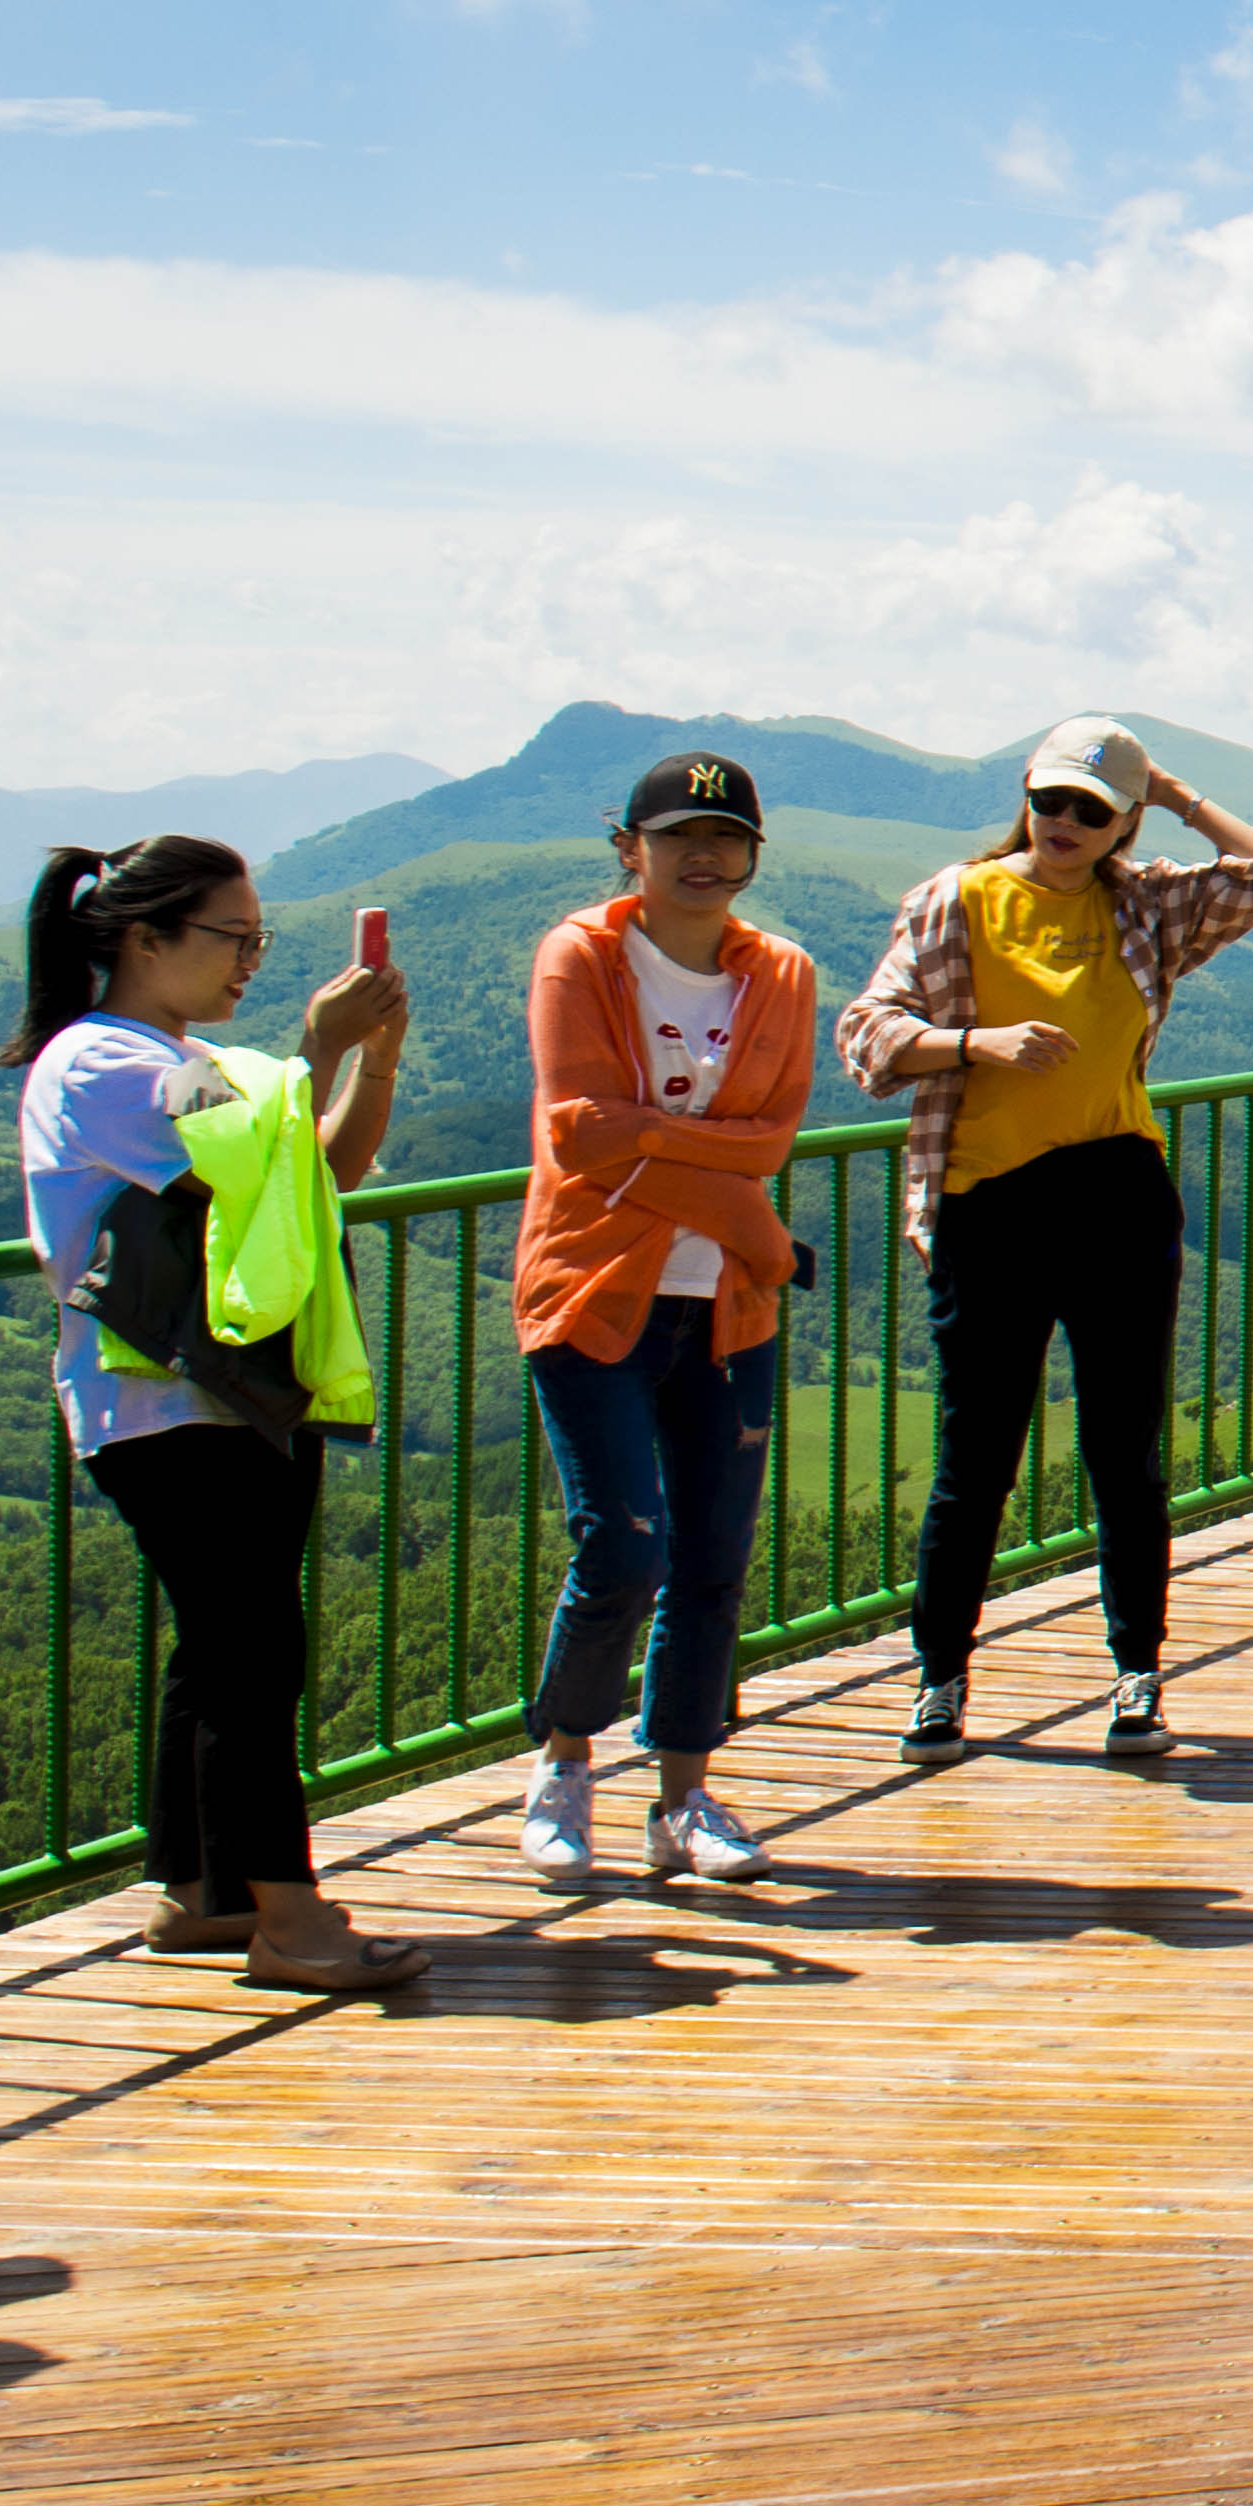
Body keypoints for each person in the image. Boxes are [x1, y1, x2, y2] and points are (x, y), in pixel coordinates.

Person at [0, 833, 424, 1993]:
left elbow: (321, 1165)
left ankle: (203, 1892)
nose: (250, 958)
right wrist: (316, 1044)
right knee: (252, 1650)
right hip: (162, 1400)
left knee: (225, 1640)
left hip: (231, 1395)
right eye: (233, 936)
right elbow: (240, 1149)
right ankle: (289, 1918)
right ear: (144, 938)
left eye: (257, 938)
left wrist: (368, 1060)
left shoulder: (183, 1056)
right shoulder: (98, 1063)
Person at [836, 716, 1253, 1762]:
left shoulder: (1143, 905)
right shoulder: (957, 898)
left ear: (1122, 821)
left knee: (1122, 1450)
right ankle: (939, 1681)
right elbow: (866, 1034)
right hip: (986, 1201)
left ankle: (1139, 1674)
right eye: (1051, 800)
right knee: (975, 1458)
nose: (1065, 822)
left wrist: (1176, 794)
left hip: (1117, 1194)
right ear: (1026, 798)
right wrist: (970, 1042)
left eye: (1093, 809)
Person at [513, 751, 817, 1889]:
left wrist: (668, 1151)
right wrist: (756, 1221)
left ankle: (684, 1796)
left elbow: (769, 1142)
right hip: (593, 1290)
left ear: (750, 855)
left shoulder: (778, 971)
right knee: (622, 1541)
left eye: (727, 838)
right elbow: (577, 1137)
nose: (703, 856)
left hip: (728, 1302)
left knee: (714, 1559)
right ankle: (562, 1768)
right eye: (678, 835)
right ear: (628, 847)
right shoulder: (583, 953)